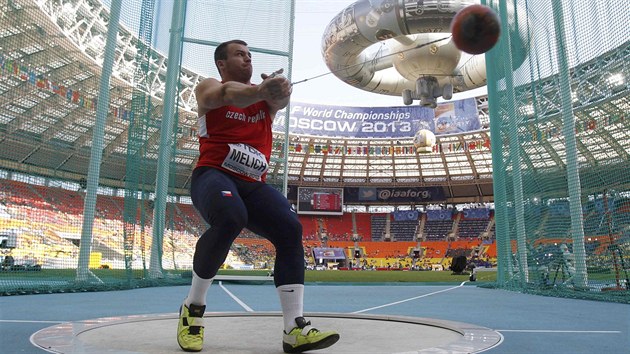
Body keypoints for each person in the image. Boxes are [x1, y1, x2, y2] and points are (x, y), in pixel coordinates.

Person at [177, 39, 339, 353]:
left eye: (250, 55)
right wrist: (260, 92)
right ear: (222, 64)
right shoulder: (210, 87)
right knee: (230, 217)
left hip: (253, 184)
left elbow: (277, 102)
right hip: (214, 175)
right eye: (240, 54)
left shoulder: (262, 101)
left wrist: (279, 92)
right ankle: (193, 309)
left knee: (291, 229)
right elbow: (225, 95)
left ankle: (294, 329)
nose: (248, 59)